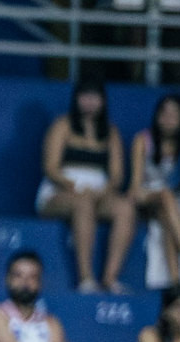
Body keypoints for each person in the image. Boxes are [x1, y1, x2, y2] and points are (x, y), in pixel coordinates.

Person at [38, 78, 135, 294]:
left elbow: (117, 175)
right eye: (85, 96)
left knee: (125, 208)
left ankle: (110, 277)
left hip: (98, 194)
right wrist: (72, 185)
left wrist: (104, 192)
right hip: (61, 193)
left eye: (95, 97)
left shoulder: (111, 133)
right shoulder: (62, 125)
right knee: (83, 202)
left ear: (103, 101)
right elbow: (51, 167)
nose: (90, 101)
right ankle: (86, 279)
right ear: (76, 98)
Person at [127, 93, 180, 289]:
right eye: (164, 113)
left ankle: (176, 282)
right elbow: (135, 186)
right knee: (165, 196)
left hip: (172, 203)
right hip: (144, 196)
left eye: (174, 114)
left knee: (167, 215)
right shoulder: (142, 140)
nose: (168, 119)